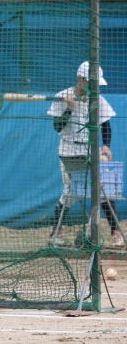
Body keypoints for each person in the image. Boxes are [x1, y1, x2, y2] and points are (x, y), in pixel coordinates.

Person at [47, 61, 122, 248]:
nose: (94, 86)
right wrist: (69, 108)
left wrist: (106, 146)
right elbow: (58, 127)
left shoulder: (97, 98)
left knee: (104, 190)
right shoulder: (63, 96)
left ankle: (115, 232)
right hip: (68, 150)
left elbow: (105, 125)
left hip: (91, 150)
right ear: (81, 79)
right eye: (91, 82)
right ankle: (55, 233)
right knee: (70, 193)